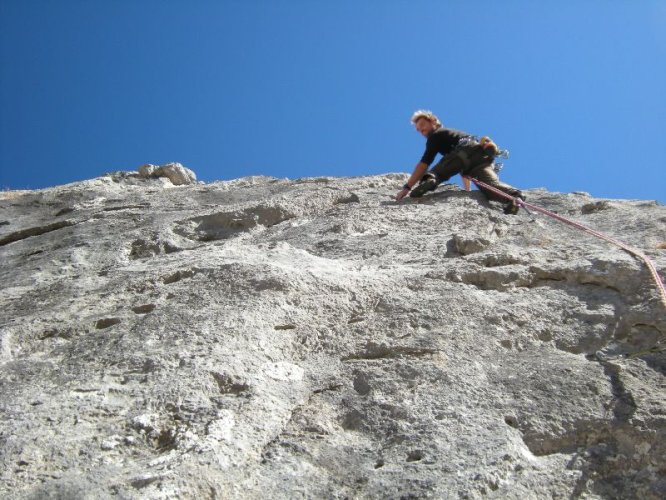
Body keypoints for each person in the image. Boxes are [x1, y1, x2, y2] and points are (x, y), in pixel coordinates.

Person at [395, 110, 524, 214]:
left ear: (433, 121)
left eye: (422, 125)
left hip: (463, 152)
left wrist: (407, 187)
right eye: (418, 129)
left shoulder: (436, 135)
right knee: (490, 187)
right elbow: (462, 166)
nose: (421, 130)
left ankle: (429, 180)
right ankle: (513, 197)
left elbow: (425, 162)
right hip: (481, 158)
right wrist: (467, 190)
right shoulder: (453, 134)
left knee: (437, 172)